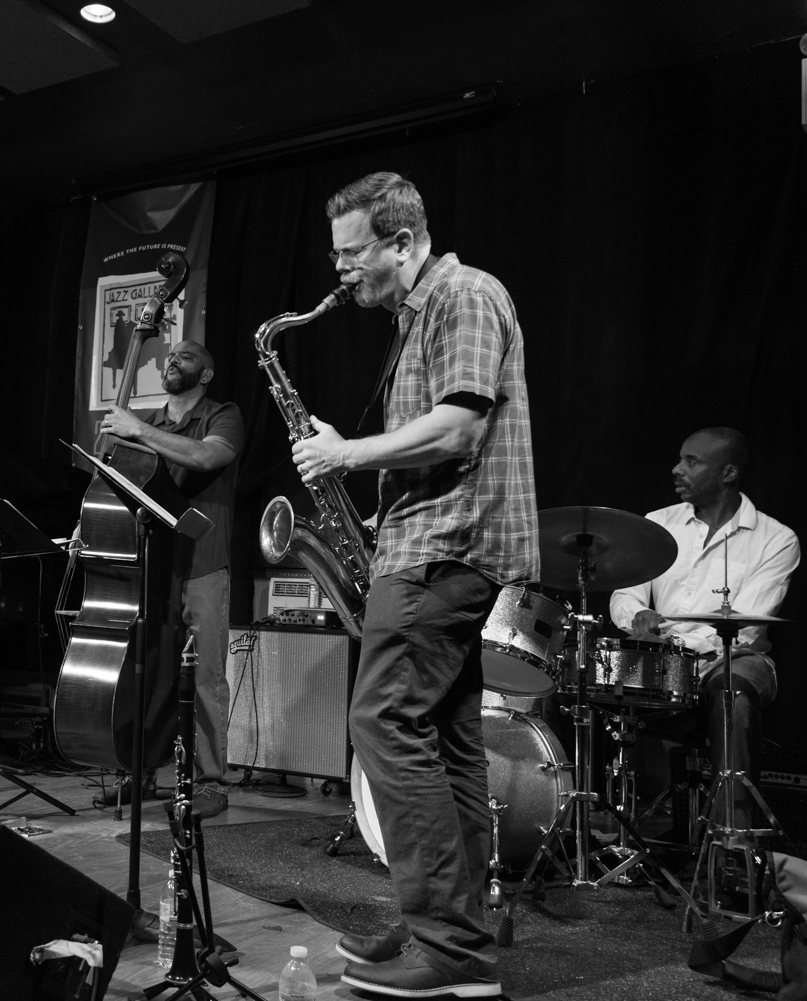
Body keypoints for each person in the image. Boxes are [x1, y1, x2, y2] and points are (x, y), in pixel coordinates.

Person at [292, 172, 537, 998]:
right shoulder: (419, 312)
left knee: (383, 720)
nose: (342, 272)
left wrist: (347, 453)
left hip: (445, 546)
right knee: (447, 741)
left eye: (351, 253)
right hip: (436, 542)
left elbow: (461, 425)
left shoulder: (462, 293)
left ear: (401, 241)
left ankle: (451, 947)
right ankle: (456, 933)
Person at [610, 428, 800, 830]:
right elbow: (624, 594)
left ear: (728, 473)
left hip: (730, 659)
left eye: (692, 462)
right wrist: (637, 616)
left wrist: (674, 644)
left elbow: (744, 628)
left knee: (734, 685)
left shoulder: (776, 539)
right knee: (581, 679)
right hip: (657, 659)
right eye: (681, 459)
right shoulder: (657, 524)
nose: (677, 470)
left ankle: (733, 836)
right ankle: (607, 825)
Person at [96, 339, 244, 821]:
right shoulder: (148, 422)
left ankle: (211, 783)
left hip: (203, 561)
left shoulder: (224, 415)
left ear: (205, 374)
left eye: (187, 355)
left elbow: (205, 458)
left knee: (205, 677)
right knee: (148, 670)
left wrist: (137, 430)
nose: (174, 358)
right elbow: (113, 480)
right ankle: (141, 770)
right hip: (151, 564)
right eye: (172, 353)